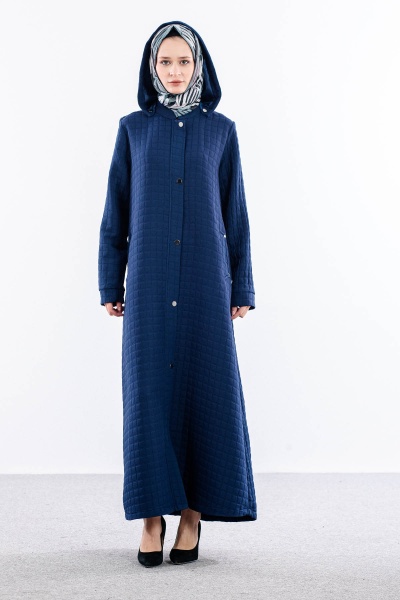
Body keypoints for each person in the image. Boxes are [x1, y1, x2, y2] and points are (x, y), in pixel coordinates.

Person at [98, 20, 257, 568]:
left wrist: (242, 284)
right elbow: (115, 211)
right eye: (164, 62)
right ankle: (151, 517)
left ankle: (192, 514)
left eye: (183, 61)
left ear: (198, 65)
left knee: (204, 391)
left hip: (206, 285)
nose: (173, 71)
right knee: (147, 397)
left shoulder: (221, 132)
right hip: (147, 283)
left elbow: (235, 214)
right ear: (151, 67)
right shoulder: (133, 130)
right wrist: (110, 280)